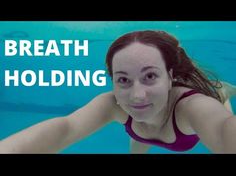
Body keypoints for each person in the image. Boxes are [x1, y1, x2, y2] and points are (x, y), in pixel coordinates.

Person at [0, 30, 236, 154]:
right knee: (138, 134)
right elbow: (65, 128)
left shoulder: (192, 107)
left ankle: (224, 90)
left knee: (218, 96)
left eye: (150, 76)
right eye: (123, 79)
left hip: (187, 110)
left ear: (170, 76)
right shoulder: (113, 104)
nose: (137, 95)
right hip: (147, 125)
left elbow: (224, 131)